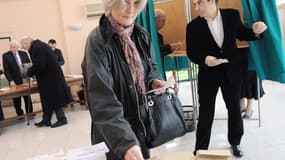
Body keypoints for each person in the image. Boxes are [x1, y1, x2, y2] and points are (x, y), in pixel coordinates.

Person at [82, 0, 165, 160]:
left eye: (136, 3)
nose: (131, 10)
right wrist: (125, 143)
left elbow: (151, 68)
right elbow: (102, 100)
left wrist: (153, 80)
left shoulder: (141, 35)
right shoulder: (97, 42)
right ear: (111, 4)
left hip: (140, 127)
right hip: (113, 133)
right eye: (125, 3)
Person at [186, 0, 267, 157]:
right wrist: (204, 59)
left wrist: (256, 31)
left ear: (211, 1)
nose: (196, 8)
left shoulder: (231, 15)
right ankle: (200, 149)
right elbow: (192, 52)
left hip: (231, 71)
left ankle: (235, 143)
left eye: (198, 3)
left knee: (234, 109)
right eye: (194, 4)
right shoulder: (193, 26)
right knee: (205, 113)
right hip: (208, 74)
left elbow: (243, 34)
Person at [21, 37, 72, 128]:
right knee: (47, 99)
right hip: (48, 77)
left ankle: (62, 119)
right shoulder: (38, 46)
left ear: (27, 43)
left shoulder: (38, 47)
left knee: (54, 98)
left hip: (51, 78)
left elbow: (40, 64)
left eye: (24, 47)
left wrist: (28, 73)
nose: (24, 49)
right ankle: (46, 120)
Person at [2, 40, 34, 117]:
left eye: (15, 47)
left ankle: (30, 113)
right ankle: (19, 114)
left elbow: (29, 65)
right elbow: (6, 70)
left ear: (18, 47)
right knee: (16, 98)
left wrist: (30, 76)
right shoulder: (6, 55)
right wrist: (10, 80)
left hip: (25, 78)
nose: (13, 48)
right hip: (14, 80)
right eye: (12, 47)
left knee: (27, 96)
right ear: (10, 47)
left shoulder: (23, 53)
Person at [155, 9, 181, 93]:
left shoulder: (159, 35)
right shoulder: (150, 35)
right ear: (155, 20)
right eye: (162, 21)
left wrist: (171, 50)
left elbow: (160, 53)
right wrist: (170, 47)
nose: (164, 23)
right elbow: (157, 50)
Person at [239, 47, 265, 119]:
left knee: (251, 74)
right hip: (236, 44)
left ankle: (249, 106)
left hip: (251, 46)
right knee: (237, 74)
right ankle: (241, 104)